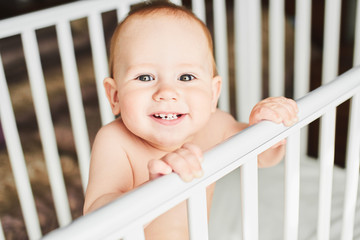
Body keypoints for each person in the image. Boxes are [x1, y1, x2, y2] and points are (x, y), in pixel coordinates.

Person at [83, 1, 298, 239]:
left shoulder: (215, 126)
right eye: (145, 77)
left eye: (186, 77)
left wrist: (268, 126)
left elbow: (260, 156)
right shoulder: (115, 142)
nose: (166, 91)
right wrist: (154, 192)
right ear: (114, 96)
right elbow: (96, 216)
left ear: (213, 93)